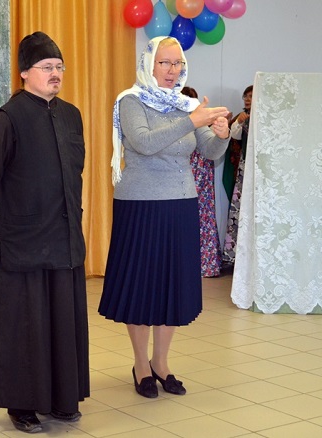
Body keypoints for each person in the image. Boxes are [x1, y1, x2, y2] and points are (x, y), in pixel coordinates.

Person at [99, 36, 230, 399]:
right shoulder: (131, 101)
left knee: (172, 285)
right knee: (141, 286)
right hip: (140, 205)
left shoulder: (186, 104)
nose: (173, 70)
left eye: (178, 63)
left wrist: (221, 135)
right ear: (148, 64)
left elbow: (209, 150)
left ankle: (161, 362)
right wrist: (192, 120)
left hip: (181, 204)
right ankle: (141, 364)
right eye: (165, 63)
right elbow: (144, 143)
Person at [0, 31, 89, 434]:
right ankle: (21, 405)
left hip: (65, 239)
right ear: (25, 72)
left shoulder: (71, 115)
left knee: (62, 321)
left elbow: (74, 171)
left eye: (59, 67)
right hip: (24, 242)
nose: (55, 73)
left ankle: (61, 399)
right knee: (25, 324)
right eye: (46, 67)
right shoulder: (6, 119)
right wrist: (21, 215)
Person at [182, 86, 222, 277]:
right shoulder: (182, 122)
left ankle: (204, 264)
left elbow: (211, 147)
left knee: (200, 218)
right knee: (198, 219)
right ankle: (201, 264)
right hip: (193, 176)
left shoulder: (200, 121)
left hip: (198, 176)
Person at [222, 85, 252, 266]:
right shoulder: (243, 117)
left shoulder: (268, 116)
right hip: (245, 167)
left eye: (251, 96)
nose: (247, 99)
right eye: (245, 96)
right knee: (240, 210)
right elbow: (235, 136)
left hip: (259, 168)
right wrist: (239, 122)